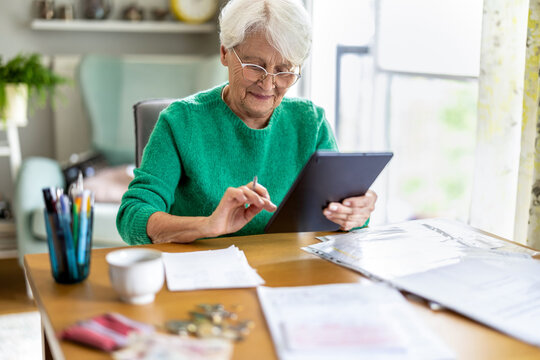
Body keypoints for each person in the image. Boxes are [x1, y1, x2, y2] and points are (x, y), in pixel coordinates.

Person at [116, 0, 377, 245]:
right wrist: (206, 226)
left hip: (287, 274)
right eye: (255, 66)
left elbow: (344, 218)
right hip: (204, 273)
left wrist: (356, 213)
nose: (268, 84)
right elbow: (132, 216)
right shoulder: (179, 122)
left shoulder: (311, 123)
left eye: (284, 70)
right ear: (224, 53)